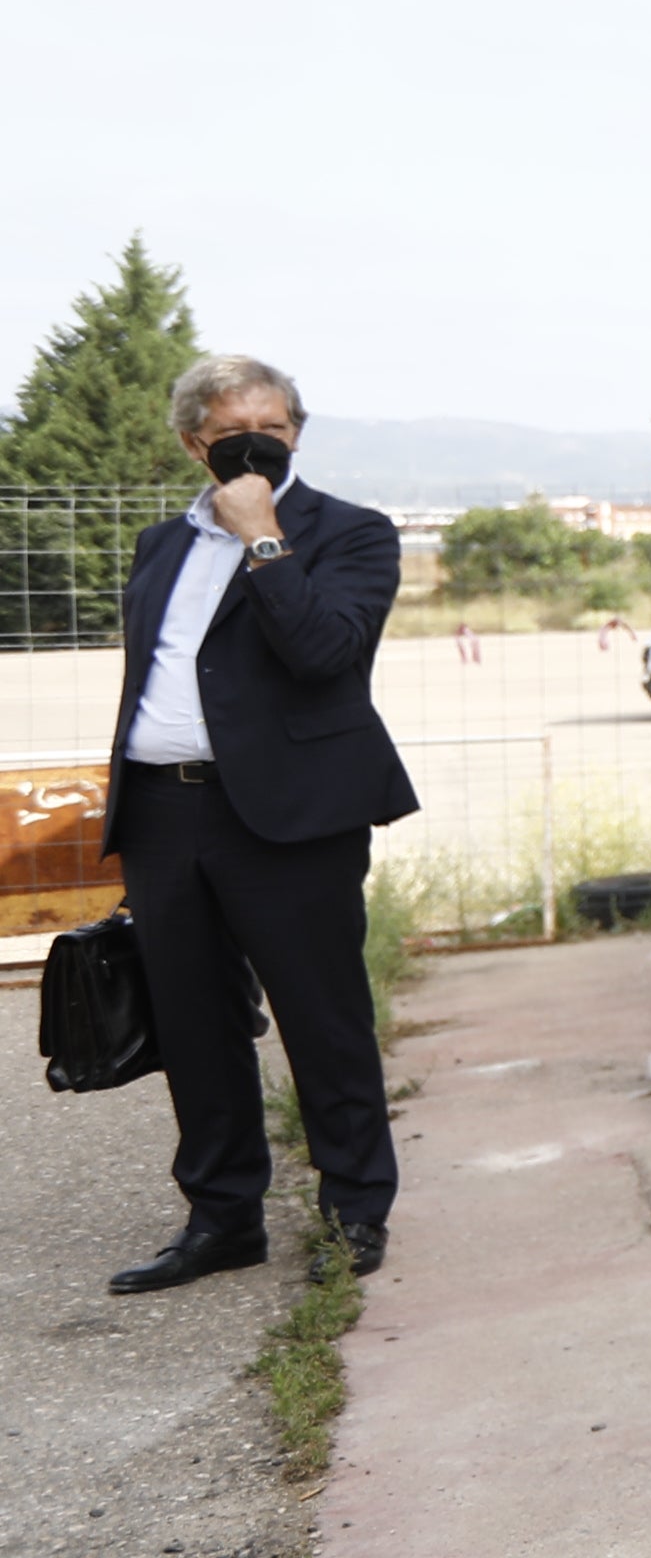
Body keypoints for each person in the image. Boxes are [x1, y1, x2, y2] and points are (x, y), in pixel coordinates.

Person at [100, 355, 419, 1293]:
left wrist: (263, 540)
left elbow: (326, 654)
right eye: (234, 435)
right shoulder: (159, 546)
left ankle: (356, 1209)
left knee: (324, 1020)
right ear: (195, 443)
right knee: (193, 1026)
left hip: (292, 819)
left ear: (296, 433)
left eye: (272, 431)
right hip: (164, 811)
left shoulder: (352, 534)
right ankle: (223, 1216)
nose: (254, 448)